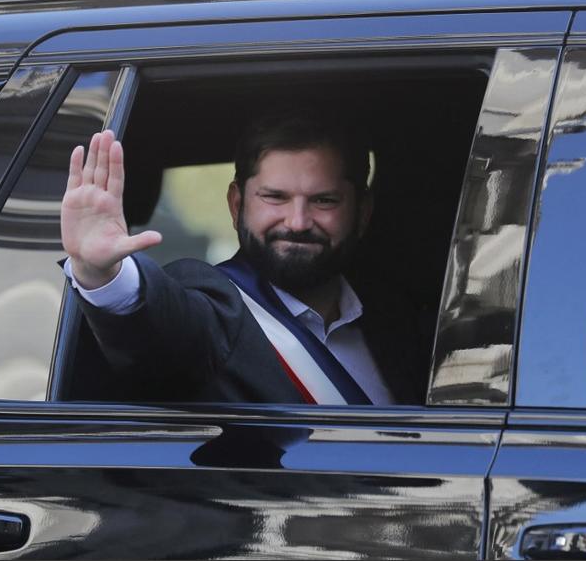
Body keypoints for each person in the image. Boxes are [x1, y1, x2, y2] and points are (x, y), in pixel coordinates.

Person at [60, 112, 423, 405]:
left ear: (362, 212)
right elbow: (163, 325)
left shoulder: (399, 319)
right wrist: (101, 272)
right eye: (275, 198)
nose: (297, 222)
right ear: (237, 205)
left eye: (323, 200)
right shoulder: (214, 306)